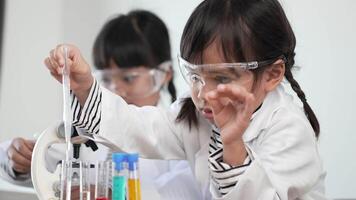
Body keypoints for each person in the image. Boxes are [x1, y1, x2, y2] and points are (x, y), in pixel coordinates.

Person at [45, 0, 328, 199]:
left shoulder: (289, 130)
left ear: (272, 74)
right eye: (195, 76)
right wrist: (85, 86)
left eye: (222, 79)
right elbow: (137, 127)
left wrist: (232, 144)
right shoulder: (193, 114)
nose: (203, 93)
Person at [1, 10, 202, 199]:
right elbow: (36, 158)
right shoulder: (86, 126)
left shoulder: (181, 132)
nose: (117, 90)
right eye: (106, 79)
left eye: (129, 78)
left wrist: (112, 191)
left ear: (164, 74)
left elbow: (186, 189)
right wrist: (19, 159)